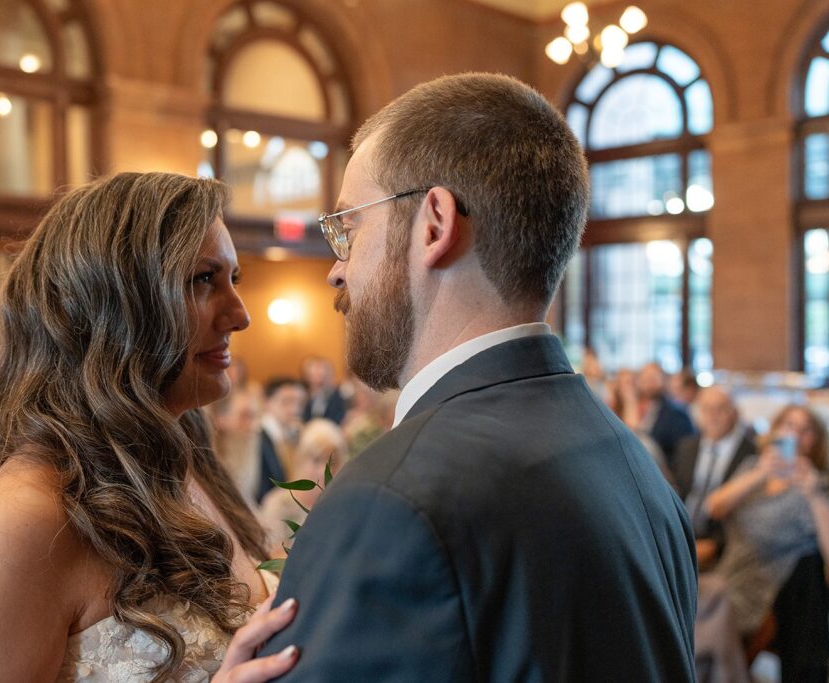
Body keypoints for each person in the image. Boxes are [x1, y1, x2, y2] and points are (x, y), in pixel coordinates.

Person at [258, 73, 696, 680]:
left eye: (348, 230)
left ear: (434, 223)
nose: (337, 271)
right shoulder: (631, 461)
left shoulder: (390, 500)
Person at [0, 173, 298, 682]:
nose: (240, 315)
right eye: (203, 279)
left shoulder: (179, 454)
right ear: (115, 307)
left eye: (234, 279)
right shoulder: (24, 516)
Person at [704, 404, 829, 680]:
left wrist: (813, 493)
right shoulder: (754, 467)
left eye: (805, 430)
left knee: (707, 615)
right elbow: (714, 507)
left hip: (770, 586)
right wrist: (762, 472)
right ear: (776, 431)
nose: (796, 435)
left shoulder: (817, 483)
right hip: (730, 570)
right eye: (789, 426)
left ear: (815, 441)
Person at [670, 386, 756, 569]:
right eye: (706, 409)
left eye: (720, 409)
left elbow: (748, 510)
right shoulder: (686, 448)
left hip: (724, 542)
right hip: (682, 533)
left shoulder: (751, 455)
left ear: (734, 412)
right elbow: (677, 493)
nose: (713, 416)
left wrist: (715, 544)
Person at [258, 419, 346, 553]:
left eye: (332, 462)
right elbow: (273, 557)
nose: (324, 470)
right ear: (301, 459)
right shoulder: (278, 504)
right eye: (317, 460)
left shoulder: (340, 506)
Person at [256, 377, 306, 504]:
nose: (295, 410)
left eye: (300, 403)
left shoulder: (296, 435)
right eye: (286, 402)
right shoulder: (257, 438)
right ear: (267, 402)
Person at [636, 362, 696, 463]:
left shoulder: (677, 414)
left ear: (663, 380)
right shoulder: (638, 408)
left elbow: (685, 454)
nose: (648, 384)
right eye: (644, 379)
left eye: (652, 379)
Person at [300, 357, 347, 424]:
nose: (320, 380)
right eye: (316, 375)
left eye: (326, 376)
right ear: (307, 378)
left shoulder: (343, 397)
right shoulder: (304, 398)